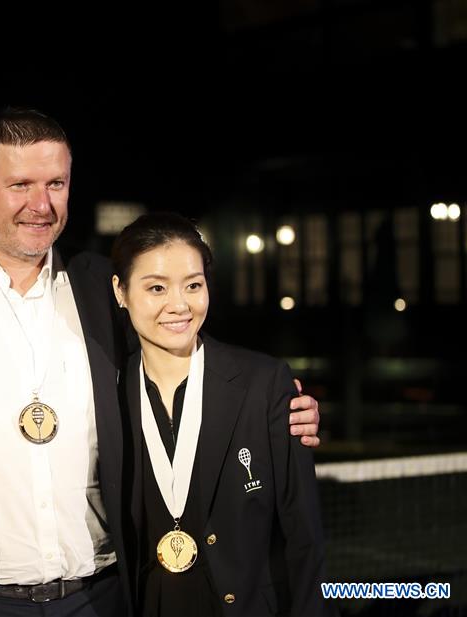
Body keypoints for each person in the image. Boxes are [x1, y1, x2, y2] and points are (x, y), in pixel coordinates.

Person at [0, 108, 322, 617]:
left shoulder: (100, 288)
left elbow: (189, 359)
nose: (41, 205)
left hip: (107, 594)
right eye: (20, 184)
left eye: (56, 183)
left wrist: (280, 411)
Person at [111, 212, 333, 616]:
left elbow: (305, 536)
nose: (178, 305)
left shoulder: (264, 385)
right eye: (156, 288)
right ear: (121, 292)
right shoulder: (109, 393)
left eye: (193, 285)